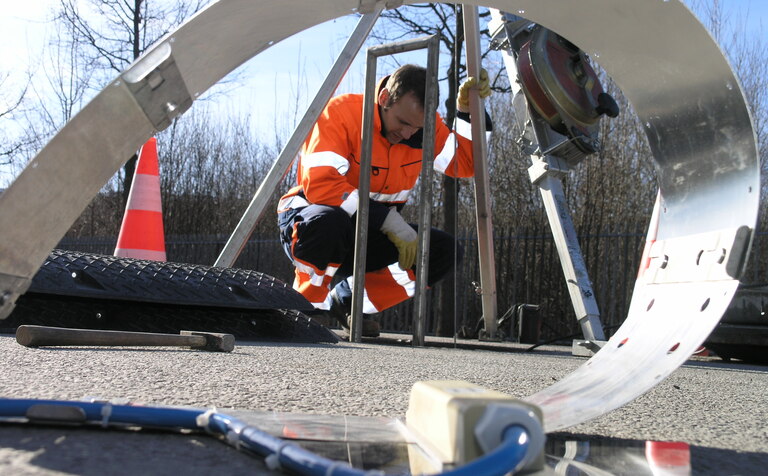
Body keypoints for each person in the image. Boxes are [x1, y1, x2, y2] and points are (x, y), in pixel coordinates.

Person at [277, 64, 492, 336]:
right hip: (309, 221)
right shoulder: (341, 113)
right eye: (402, 123)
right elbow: (322, 185)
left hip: (371, 232)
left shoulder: (423, 128)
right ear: (384, 99)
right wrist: (389, 220)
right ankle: (306, 308)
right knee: (328, 221)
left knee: (441, 251)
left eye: (417, 128)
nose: (407, 134)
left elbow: (467, 164)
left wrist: (469, 112)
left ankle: (348, 304)